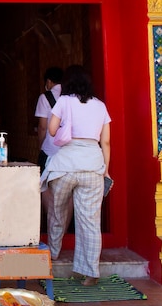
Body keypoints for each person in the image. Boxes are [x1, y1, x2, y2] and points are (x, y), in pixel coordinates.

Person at [40, 65, 111, 286]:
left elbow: (51, 131)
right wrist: (106, 169)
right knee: (89, 221)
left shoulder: (64, 102)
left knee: (57, 212)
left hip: (66, 165)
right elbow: (106, 141)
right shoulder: (100, 106)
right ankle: (89, 272)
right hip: (93, 164)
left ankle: (52, 255)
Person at [34, 67, 68, 233]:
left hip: (50, 150)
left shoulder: (45, 97)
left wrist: (41, 146)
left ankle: (52, 226)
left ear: (48, 81)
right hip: (69, 152)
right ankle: (64, 229)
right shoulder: (71, 96)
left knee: (45, 187)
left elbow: (42, 126)